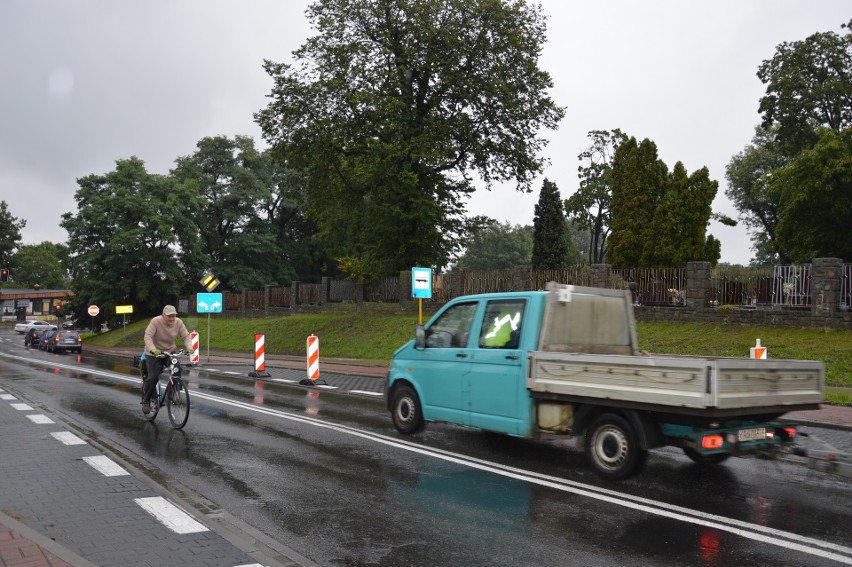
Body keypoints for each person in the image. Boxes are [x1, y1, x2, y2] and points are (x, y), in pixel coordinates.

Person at [142, 305, 193, 414]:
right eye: (169, 316)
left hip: (169, 352)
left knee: (177, 368)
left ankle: (173, 393)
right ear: (163, 315)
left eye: (173, 316)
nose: (172, 318)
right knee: (153, 377)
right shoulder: (155, 321)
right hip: (153, 353)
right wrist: (152, 349)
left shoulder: (178, 322)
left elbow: (186, 336)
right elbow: (148, 336)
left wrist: (189, 347)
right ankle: (146, 400)